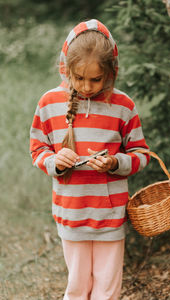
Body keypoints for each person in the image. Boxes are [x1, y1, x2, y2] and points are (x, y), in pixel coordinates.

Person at [30, 19, 150, 300]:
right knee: (76, 285)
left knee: (107, 287)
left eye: (96, 79)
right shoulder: (49, 103)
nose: (86, 86)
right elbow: (38, 150)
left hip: (109, 214)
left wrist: (115, 163)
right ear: (66, 68)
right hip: (71, 212)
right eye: (79, 77)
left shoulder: (123, 106)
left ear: (110, 72)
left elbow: (140, 155)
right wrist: (56, 162)